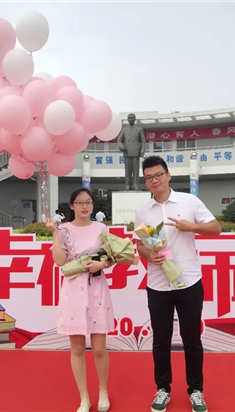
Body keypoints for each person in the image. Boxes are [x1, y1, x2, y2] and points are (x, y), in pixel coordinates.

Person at [134, 156, 221, 412]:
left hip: (188, 281)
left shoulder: (189, 201)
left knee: (191, 338)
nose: (154, 181)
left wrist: (191, 226)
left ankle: (196, 390)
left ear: (168, 175)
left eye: (158, 175)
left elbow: (215, 227)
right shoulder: (143, 211)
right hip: (158, 284)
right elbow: (139, 243)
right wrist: (148, 255)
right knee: (160, 340)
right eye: (149, 177)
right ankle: (163, 388)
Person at [45, 188, 115, 412]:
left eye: (88, 202)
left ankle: (103, 392)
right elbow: (59, 261)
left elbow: (111, 257)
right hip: (73, 290)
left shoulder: (101, 228)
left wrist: (102, 264)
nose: (85, 206)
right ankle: (84, 398)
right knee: (76, 348)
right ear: (72, 206)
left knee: (99, 348)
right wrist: (55, 233)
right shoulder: (63, 230)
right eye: (80, 202)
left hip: (96, 289)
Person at [117, 113, 145, 191]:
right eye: (129, 118)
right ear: (128, 119)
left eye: (132, 118)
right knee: (127, 170)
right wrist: (121, 146)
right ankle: (127, 185)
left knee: (136, 170)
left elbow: (143, 141)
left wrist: (142, 150)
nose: (131, 119)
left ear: (135, 119)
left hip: (136, 151)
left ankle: (136, 185)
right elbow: (119, 140)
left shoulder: (139, 129)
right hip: (127, 152)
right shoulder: (124, 130)